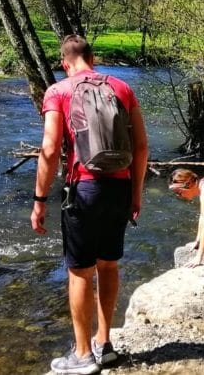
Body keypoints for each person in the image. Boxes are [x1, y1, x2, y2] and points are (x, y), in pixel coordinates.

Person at [30, 35, 149, 374]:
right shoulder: (122, 88)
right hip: (120, 188)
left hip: (83, 189)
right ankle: (104, 343)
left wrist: (39, 200)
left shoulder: (59, 91)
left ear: (64, 62)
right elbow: (141, 148)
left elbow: (51, 149)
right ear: (92, 58)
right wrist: (136, 194)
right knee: (108, 265)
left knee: (80, 271)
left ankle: (82, 356)